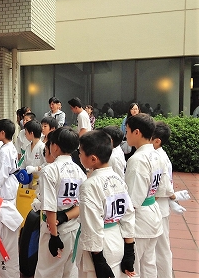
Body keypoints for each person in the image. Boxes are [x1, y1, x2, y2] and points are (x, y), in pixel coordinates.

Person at [77, 130, 136, 278]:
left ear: (93, 159)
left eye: (81, 152)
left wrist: (98, 259)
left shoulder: (89, 185)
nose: (79, 155)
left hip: (99, 245)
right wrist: (129, 249)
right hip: (117, 238)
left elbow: (92, 224)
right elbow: (128, 214)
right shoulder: (117, 178)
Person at [34, 127, 87, 278]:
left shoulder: (50, 170)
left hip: (54, 229)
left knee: (47, 272)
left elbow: (50, 208)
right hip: (73, 228)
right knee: (69, 271)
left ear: (55, 147)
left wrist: (54, 236)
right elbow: (81, 205)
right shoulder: (79, 171)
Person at [124, 113, 173, 277]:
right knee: (149, 264)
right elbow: (161, 189)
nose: (126, 134)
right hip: (153, 213)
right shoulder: (157, 154)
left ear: (136, 132)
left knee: (134, 266)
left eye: (127, 130)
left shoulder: (138, 159)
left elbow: (132, 201)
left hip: (140, 220)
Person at [151, 121, 190, 278]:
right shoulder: (157, 155)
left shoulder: (159, 157)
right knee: (158, 248)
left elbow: (164, 187)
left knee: (161, 248)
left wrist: (173, 197)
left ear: (157, 140)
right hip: (159, 207)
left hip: (158, 208)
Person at [0, 119, 19, 205]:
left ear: (2, 133)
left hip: (5, 185)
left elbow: (3, 172)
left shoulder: (5, 151)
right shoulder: (9, 146)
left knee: (5, 211)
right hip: (9, 182)